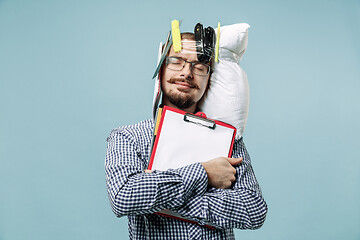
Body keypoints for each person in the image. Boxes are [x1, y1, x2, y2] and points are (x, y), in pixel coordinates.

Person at [105, 31, 267, 240]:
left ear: (209, 79)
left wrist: (160, 198)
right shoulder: (129, 137)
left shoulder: (228, 139)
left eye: (199, 67)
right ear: (161, 68)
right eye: (176, 61)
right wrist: (204, 174)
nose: (187, 73)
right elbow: (124, 197)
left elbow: (254, 210)